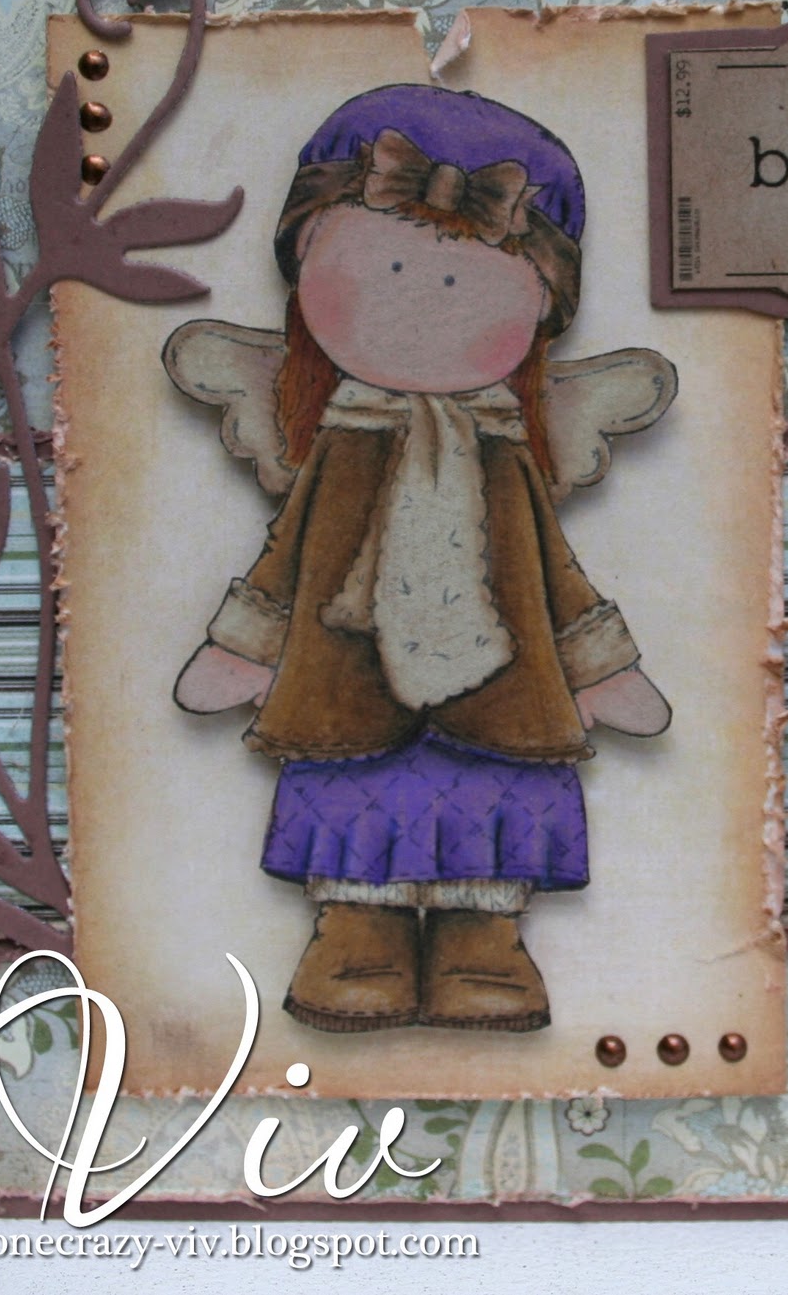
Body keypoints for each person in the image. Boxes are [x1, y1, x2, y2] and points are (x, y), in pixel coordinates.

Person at [174, 84, 669, 1034]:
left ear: (543, 304)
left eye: (462, 283)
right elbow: (287, 555)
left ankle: (486, 947)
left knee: (490, 806)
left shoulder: (506, 453)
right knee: (357, 800)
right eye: (387, 266)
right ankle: (355, 940)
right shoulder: (340, 443)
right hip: (347, 687)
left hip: (502, 696)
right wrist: (244, 648)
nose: (420, 295)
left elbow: (553, 568)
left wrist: (600, 665)